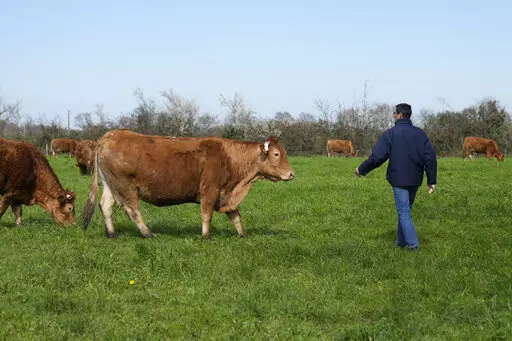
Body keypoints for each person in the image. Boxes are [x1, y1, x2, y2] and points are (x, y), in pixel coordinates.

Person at [355, 103, 437, 251]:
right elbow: (430, 158)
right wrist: (431, 181)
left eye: (394, 113)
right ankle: (400, 241)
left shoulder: (391, 134)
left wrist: (361, 169)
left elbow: (377, 157)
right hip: (415, 178)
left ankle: (413, 245)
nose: (393, 115)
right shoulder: (420, 134)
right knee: (405, 209)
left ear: (399, 115)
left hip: (398, 179)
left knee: (404, 211)